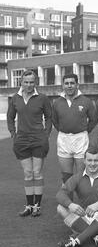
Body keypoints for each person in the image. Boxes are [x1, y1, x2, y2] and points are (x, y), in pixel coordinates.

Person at [7, 70, 52, 217]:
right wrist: (13, 134)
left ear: (36, 82)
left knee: (37, 173)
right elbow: (10, 118)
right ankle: (29, 206)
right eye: (26, 82)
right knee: (27, 174)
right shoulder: (15, 98)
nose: (29, 85)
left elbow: (49, 117)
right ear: (21, 82)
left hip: (39, 140)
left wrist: (45, 135)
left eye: (32, 82)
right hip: (22, 141)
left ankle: (37, 206)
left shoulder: (43, 98)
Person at [56, 148, 98, 247]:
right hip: (83, 217)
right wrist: (70, 204)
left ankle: (76, 241)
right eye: (89, 160)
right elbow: (60, 194)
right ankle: (95, 237)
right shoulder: (78, 177)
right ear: (84, 161)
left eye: (96, 160)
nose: (92, 164)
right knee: (60, 208)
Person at [52, 74, 96, 184]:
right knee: (66, 176)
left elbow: (93, 119)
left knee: (82, 174)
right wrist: (65, 129)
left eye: (72, 83)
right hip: (63, 139)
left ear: (77, 85)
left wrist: (84, 130)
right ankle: (68, 201)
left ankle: (83, 201)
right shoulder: (57, 102)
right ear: (63, 85)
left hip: (81, 138)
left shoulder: (86, 101)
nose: (69, 86)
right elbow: (54, 120)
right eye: (66, 83)